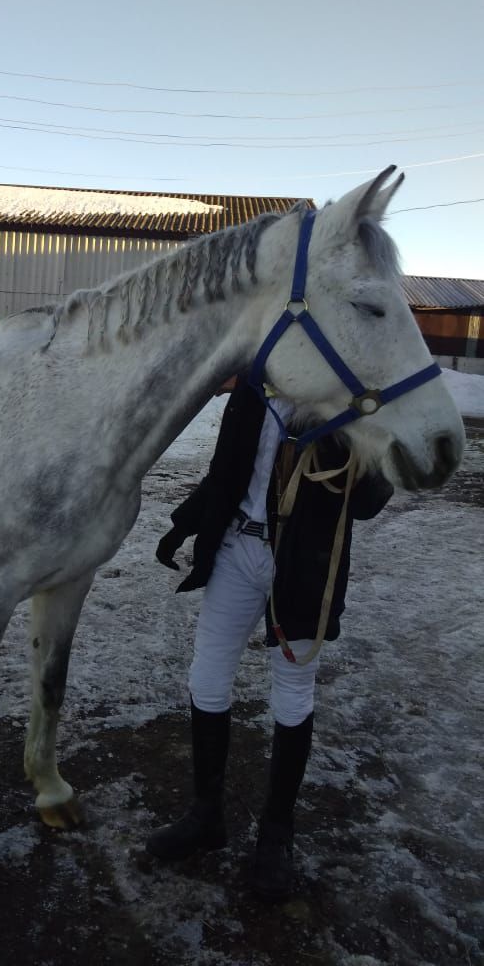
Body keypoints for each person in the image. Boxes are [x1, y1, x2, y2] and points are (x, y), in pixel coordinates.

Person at [146, 371, 394, 901]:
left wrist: (350, 429)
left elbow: (370, 500)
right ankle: (206, 815)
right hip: (238, 548)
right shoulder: (254, 386)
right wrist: (185, 522)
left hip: (304, 562)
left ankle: (275, 837)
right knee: (207, 679)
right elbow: (225, 471)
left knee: (291, 694)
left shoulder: (344, 398)